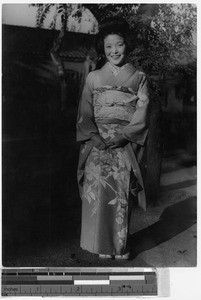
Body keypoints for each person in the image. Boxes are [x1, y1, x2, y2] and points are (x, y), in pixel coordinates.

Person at [76, 17, 149, 260]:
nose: (114, 51)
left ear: (127, 45)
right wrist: (93, 136)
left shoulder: (139, 77)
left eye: (118, 45)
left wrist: (126, 135)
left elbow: (142, 110)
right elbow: (85, 110)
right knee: (98, 191)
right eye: (108, 47)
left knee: (120, 193)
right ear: (103, 48)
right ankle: (102, 245)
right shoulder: (93, 77)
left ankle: (119, 246)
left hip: (124, 142)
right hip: (97, 142)